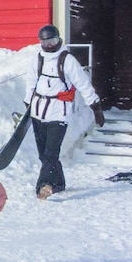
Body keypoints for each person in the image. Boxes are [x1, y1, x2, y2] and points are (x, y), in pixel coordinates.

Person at [28, 24, 104, 200]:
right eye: (45, 42)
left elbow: (83, 84)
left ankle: (44, 185)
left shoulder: (67, 60)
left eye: (52, 41)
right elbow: (31, 83)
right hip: (39, 111)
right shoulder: (37, 59)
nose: (49, 45)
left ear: (58, 40)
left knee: (51, 152)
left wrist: (96, 107)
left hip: (59, 112)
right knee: (43, 153)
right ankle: (59, 183)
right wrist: (28, 103)